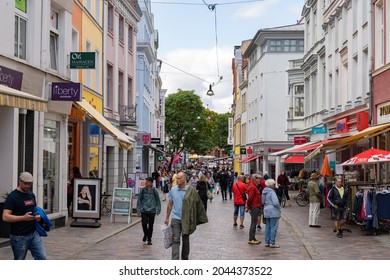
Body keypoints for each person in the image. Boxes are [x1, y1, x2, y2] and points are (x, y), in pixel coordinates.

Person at [2, 172, 47, 260]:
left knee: (42, 257)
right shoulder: (12, 197)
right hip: (19, 236)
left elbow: (34, 210)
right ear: (20, 181)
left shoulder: (31, 195)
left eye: (29, 184)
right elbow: (5, 217)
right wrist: (23, 217)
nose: (27, 186)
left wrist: (37, 217)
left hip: (34, 233)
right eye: (25, 183)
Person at [164, 172, 208, 260]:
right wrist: (167, 217)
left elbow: (197, 204)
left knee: (185, 239)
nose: (177, 180)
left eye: (179, 178)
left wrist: (195, 218)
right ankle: (175, 260)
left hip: (186, 219)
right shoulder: (173, 190)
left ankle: (185, 259)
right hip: (175, 218)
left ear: (184, 179)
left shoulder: (191, 190)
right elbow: (170, 204)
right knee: (175, 240)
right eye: (176, 178)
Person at [136, 177, 161, 245]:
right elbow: (139, 200)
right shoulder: (143, 190)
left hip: (152, 210)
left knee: (150, 225)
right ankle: (145, 234)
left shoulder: (154, 190)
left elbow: (158, 200)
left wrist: (158, 209)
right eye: (146, 181)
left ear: (151, 183)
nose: (146, 182)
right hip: (144, 210)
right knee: (144, 224)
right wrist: (138, 209)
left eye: (148, 181)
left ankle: (149, 239)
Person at [262, 179, 281, 248]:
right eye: (273, 184)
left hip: (266, 210)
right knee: (273, 226)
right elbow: (275, 202)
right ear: (271, 185)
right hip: (273, 210)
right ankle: (272, 242)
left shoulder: (264, 192)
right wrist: (279, 208)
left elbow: (263, 202)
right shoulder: (272, 192)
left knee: (268, 226)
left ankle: (267, 242)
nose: (274, 185)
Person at [246, 174, 262, 244]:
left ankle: (253, 237)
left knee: (254, 223)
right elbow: (250, 199)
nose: (260, 180)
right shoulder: (252, 187)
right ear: (254, 179)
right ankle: (251, 238)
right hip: (254, 206)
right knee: (253, 223)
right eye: (258, 179)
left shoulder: (255, 186)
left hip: (256, 206)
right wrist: (248, 206)